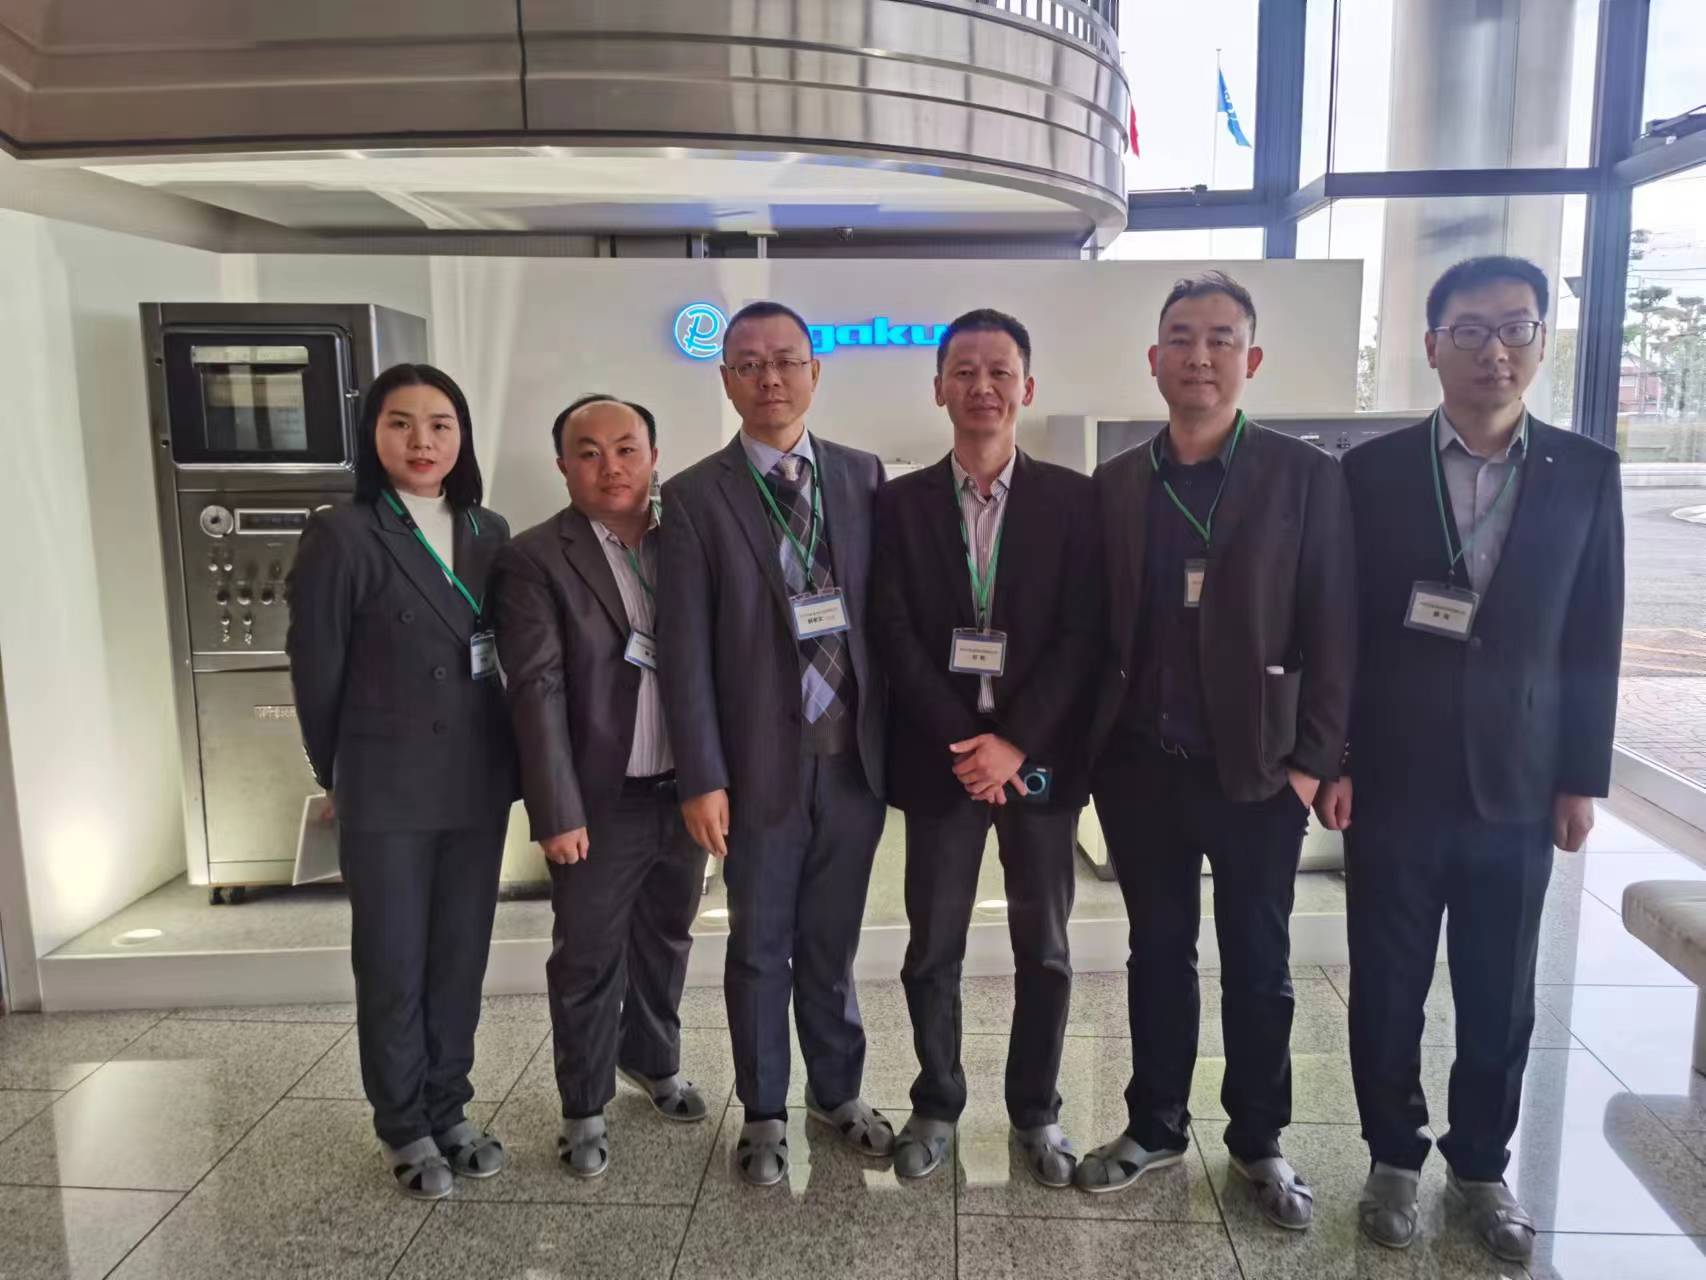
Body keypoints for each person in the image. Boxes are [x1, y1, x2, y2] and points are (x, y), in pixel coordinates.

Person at [1320, 256, 1624, 1264]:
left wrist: (1579, 776)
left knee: (1500, 992)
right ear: (1430, 345)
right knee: (1387, 983)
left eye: (1516, 328)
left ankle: (1482, 1166)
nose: (1495, 350)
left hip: (1520, 784)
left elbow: (1593, 633)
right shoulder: (1369, 472)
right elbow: (1343, 627)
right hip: (1394, 777)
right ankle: (1393, 1157)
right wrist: (1337, 754)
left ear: (1541, 341)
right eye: (1470, 331)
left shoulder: (1585, 471)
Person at [1076, 272, 1355, 1231]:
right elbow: (1092, 629)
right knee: (1157, 953)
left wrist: (1313, 763)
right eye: (1183, 339)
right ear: (1154, 359)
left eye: (1221, 339)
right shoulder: (1117, 483)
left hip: (1259, 772)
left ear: (1252, 358)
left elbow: (1335, 626)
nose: (1200, 356)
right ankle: (1154, 1124)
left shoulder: (1303, 476)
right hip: (1140, 767)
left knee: (1258, 962)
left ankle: (1258, 1140)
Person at [657, 300, 892, 1186]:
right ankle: (762, 1111)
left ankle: (838, 1092)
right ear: (726, 380)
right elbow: (683, 650)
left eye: (787, 360)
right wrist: (701, 776)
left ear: (815, 372)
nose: (770, 378)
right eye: (749, 364)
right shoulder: (693, 496)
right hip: (756, 767)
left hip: (853, 759)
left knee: (832, 941)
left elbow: (887, 617)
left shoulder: (863, 476)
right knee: (759, 944)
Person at [870, 308, 1102, 1186]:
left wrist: (1014, 742)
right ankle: (937, 1100)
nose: (982, 386)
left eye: (999, 371)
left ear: (1026, 387)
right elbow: (891, 631)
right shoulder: (896, 504)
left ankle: (1036, 1111)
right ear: (938, 388)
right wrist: (967, 742)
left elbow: (1083, 635)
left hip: (1039, 762)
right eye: (963, 371)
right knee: (933, 946)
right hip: (942, 763)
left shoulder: (1074, 500)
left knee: (1045, 948)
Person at [286, 363, 517, 1200]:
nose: (422, 441)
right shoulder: (343, 534)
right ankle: (403, 1123)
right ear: (373, 435)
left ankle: (449, 1106)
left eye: (440, 424)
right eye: (401, 423)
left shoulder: (489, 529)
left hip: (476, 780)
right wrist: (336, 774)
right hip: (384, 784)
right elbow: (317, 671)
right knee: (392, 959)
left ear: (462, 437)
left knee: (460, 955)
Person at [491, 394, 710, 1180]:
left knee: (668, 935)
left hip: (686, 788)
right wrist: (556, 809)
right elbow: (535, 689)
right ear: (563, 465)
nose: (610, 466)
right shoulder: (534, 558)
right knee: (587, 954)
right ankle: (583, 1104)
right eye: (588, 452)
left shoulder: (690, 540)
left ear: (654, 456)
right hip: (599, 800)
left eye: (626, 448)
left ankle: (653, 1059)